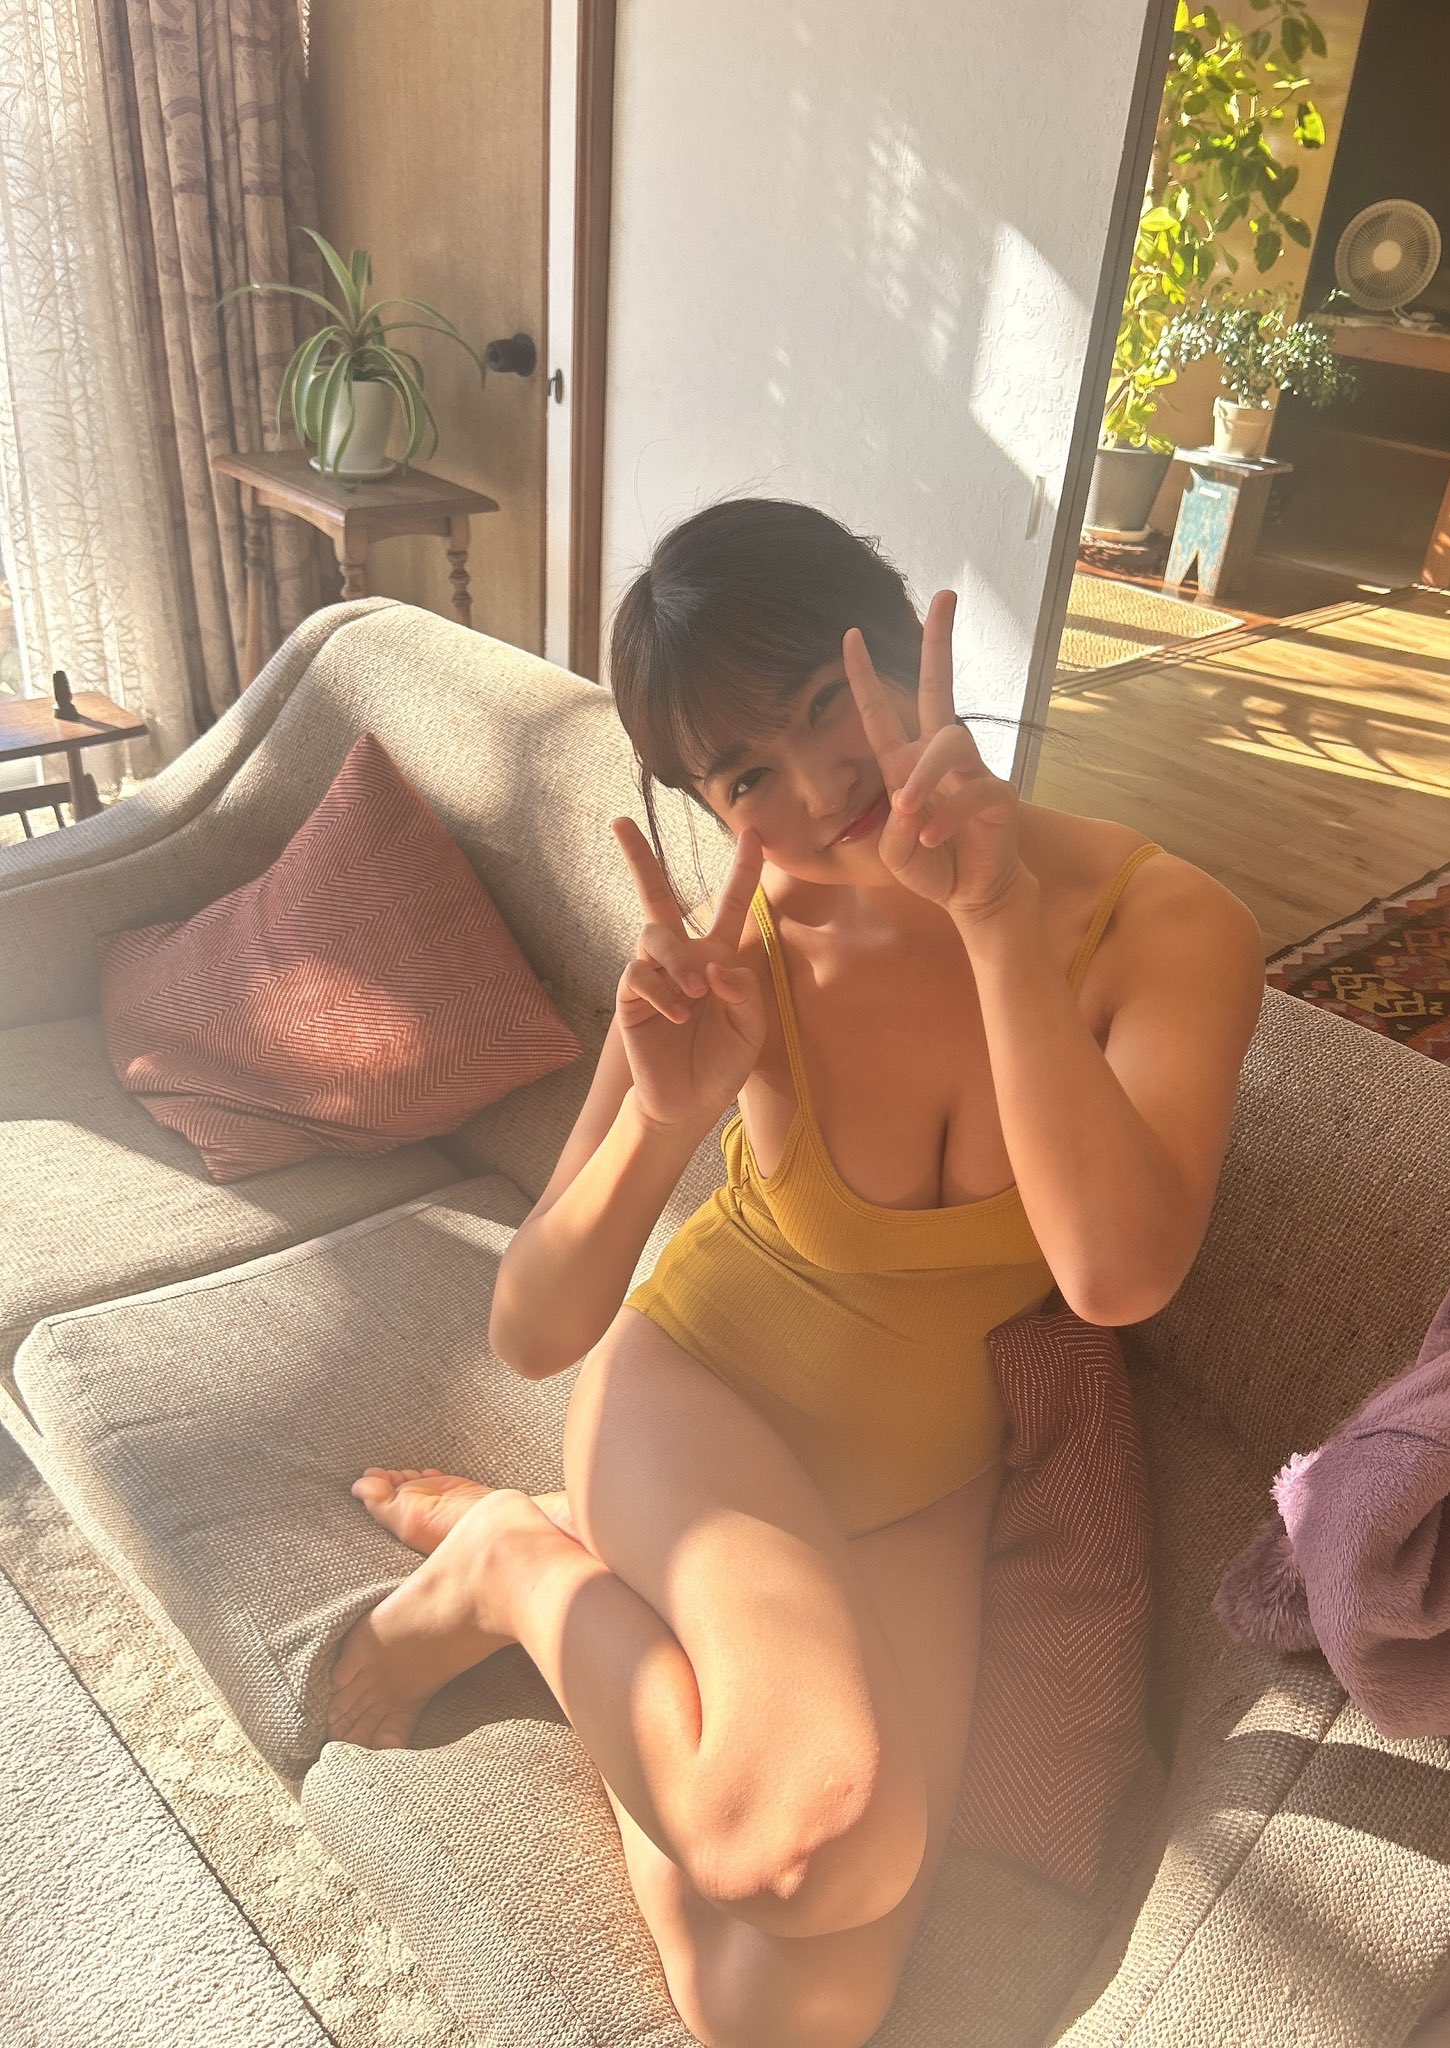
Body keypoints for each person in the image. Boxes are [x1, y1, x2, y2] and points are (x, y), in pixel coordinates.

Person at [324, 497, 1266, 2048]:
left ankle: (562, 1562)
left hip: (917, 1486)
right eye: (745, 774)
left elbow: (1115, 1274)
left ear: (905, 640)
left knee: (781, 2013)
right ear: (708, 803)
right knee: (808, 1840)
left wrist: (996, 923)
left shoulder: (1162, 924)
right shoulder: (738, 949)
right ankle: (515, 1565)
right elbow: (534, 1326)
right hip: (701, 1399)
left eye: (832, 699)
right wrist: (663, 1120)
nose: (822, 784)